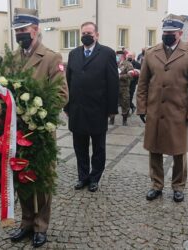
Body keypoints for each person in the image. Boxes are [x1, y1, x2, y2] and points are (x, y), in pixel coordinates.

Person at [9, 8, 68, 248]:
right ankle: (26, 222)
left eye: (24, 30)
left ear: (35, 30)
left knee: (42, 180)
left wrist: (34, 109)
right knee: (21, 177)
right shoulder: (11, 59)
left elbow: (62, 95)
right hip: (16, 132)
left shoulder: (51, 58)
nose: (20, 34)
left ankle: (41, 226)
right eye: (17, 31)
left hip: (40, 132)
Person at [136, 14, 188, 202]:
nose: (167, 35)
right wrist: (141, 108)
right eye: (165, 32)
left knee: (179, 151)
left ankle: (178, 186)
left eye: (171, 33)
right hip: (155, 110)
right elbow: (142, 84)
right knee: (154, 149)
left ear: (180, 33)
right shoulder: (151, 53)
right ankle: (156, 184)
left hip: (178, 112)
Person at [65, 21, 119, 191]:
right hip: (77, 109)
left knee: (98, 148)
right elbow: (68, 81)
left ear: (96, 35)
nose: (86, 36)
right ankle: (83, 177)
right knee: (79, 147)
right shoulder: (73, 54)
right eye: (83, 33)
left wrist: (111, 109)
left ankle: (95, 178)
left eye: (89, 33)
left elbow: (113, 82)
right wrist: (67, 106)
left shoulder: (107, 53)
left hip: (98, 109)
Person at [110, 51, 133, 126]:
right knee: (112, 103)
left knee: (125, 103)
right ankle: (111, 119)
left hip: (124, 88)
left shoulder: (128, 64)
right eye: (117, 55)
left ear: (123, 56)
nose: (118, 57)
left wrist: (120, 77)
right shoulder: (112, 63)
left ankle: (124, 120)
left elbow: (131, 75)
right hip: (113, 87)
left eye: (119, 55)